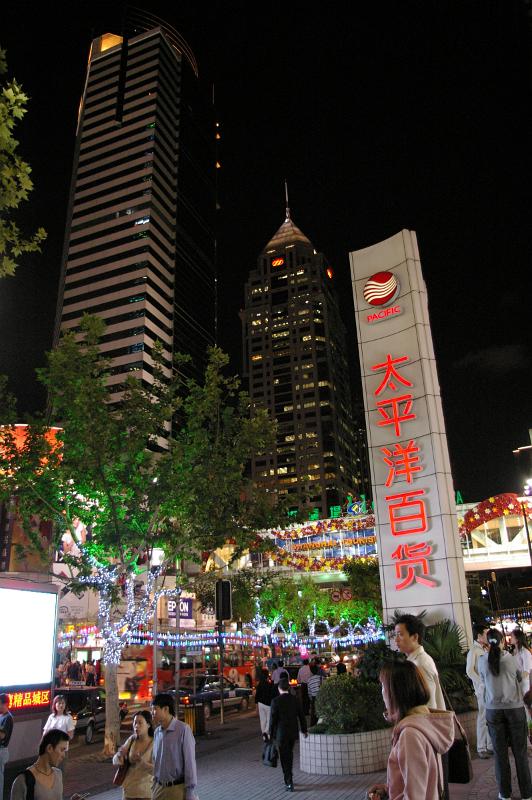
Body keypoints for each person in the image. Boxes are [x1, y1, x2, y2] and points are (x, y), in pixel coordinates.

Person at [368, 661, 454, 800]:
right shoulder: (423, 723)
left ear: (396, 692)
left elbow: (415, 795)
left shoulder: (410, 735)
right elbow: (417, 781)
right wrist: (388, 789)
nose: (382, 692)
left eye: (383, 686)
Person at [478, 627, 532, 800]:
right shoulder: (510, 659)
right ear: (502, 641)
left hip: (493, 711)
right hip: (514, 710)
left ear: (487, 642)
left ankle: (504, 794)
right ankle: (527, 794)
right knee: (520, 753)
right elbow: (520, 678)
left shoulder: (482, 660)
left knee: (500, 755)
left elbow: (482, 679)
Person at [151, 693, 198, 800]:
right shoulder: (157, 732)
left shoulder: (183, 729)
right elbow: (155, 761)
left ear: (166, 709)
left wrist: (190, 792)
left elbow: (189, 762)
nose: (152, 713)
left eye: (155, 709)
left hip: (176, 789)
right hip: (158, 789)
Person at [394, 614, 445, 710]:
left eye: (400, 634)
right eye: (395, 635)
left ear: (414, 637)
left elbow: (429, 704)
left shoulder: (420, 663)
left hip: (425, 722)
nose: (396, 640)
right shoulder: (414, 661)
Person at [269, 676, 307, 792]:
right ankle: (289, 776)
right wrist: (304, 730)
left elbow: (272, 720)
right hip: (292, 733)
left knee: (284, 757)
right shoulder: (294, 699)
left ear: (279, 688)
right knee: (289, 754)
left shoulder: (275, 701)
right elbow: (301, 715)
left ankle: (288, 781)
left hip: (281, 734)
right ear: (289, 688)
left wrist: (270, 734)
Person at [10, 729, 69, 800]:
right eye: (62, 750)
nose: (63, 755)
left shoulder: (58, 774)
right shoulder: (23, 780)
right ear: (49, 748)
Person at [466, 622, 493, 758]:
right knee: (483, 717)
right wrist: (481, 683)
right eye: (486, 634)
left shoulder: (484, 649)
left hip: (489, 689)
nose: (488, 636)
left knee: (489, 717)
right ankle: (481, 747)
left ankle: (489, 745)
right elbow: (469, 671)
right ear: (479, 636)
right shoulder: (474, 651)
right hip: (482, 690)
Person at [113, 710, 154, 800]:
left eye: (140, 723)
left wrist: (141, 762)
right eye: (135, 722)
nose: (136, 726)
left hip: (146, 793)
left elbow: (157, 770)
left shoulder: (155, 743)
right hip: (129, 792)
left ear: (148, 725)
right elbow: (115, 760)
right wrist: (120, 755)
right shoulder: (132, 739)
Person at [255, 669, 276, 741]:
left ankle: (264, 735)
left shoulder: (259, 685)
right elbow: (273, 695)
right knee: (269, 720)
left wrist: (256, 706)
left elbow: (257, 696)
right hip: (268, 704)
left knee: (262, 720)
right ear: (267, 675)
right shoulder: (269, 685)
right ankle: (267, 733)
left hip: (260, 704)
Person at [0, 693, 14, 800]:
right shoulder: (1, 716)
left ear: (4, 704)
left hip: (1, 751)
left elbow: (2, 735)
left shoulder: (8, 718)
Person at [511, 628, 532, 695]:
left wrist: (518, 680)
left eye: (512, 637)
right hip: (515, 682)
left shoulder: (525, 652)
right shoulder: (514, 651)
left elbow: (527, 671)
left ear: (517, 639)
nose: (510, 638)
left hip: (523, 684)